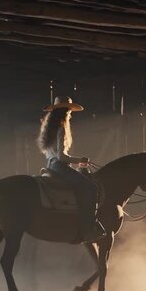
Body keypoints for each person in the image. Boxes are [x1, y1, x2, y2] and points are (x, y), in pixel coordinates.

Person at [37, 96, 106, 242]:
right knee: (91, 188)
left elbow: (54, 155)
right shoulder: (61, 127)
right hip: (59, 166)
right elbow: (61, 157)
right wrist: (79, 160)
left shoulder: (49, 128)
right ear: (65, 112)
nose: (70, 114)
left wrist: (74, 163)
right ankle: (88, 228)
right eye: (69, 111)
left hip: (51, 166)